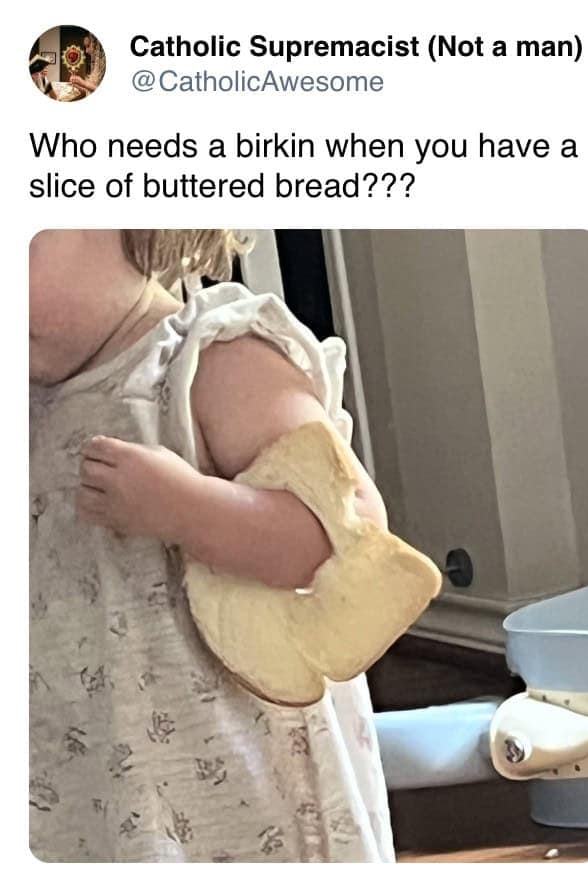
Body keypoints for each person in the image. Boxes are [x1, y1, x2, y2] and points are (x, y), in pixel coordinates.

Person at [29, 229, 395, 862]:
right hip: (81, 792)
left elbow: (348, 535)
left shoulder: (208, 357)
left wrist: (189, 510)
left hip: (236, 791)